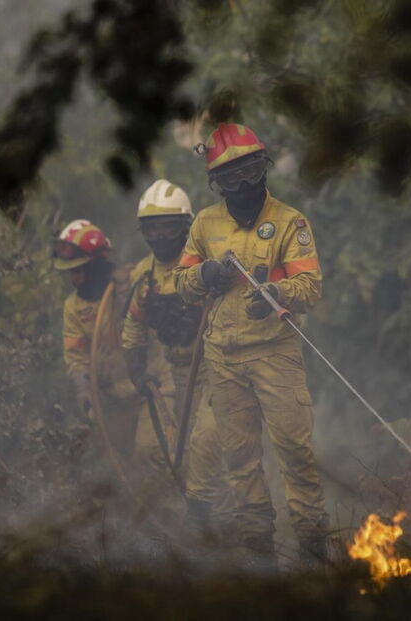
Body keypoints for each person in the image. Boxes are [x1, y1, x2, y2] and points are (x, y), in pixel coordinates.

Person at [174, 123, 329, 569]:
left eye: (250, 172)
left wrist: (278, 295)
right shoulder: (204, 223)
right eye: (230, 178)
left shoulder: (290, 221)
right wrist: (205, 276)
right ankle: (260, 557)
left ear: (264, 169)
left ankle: (315, 553)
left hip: (275, 353)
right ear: (217, 184)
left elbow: (310, 285)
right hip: (222, 359)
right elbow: (182, 282)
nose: (242, 185)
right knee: (240, 461)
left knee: (295, 452)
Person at [121, 179, 230, 537]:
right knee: (160, 451)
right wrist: (138, 372)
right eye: (152, 228)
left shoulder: (205, 263)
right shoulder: (143, 276)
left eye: (168, 226)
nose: (161, 236)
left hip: (214, 370)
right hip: (176, 372)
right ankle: (174, 530)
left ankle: (217, 523)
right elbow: (133, 329)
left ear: (186, 226)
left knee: (206, 446)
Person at [55, 219, 175, 510]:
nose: (75, 278)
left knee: (152, 452)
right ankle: (153, 531)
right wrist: (85, 394)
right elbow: (77, 358)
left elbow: (161, 317)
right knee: (122, 472)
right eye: (71, 271)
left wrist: (127, 292)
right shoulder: (74, 307)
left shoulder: (134, 279)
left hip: (153, 389)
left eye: (81, 269)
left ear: (98, 264)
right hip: (113, 402)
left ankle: (183, 520)